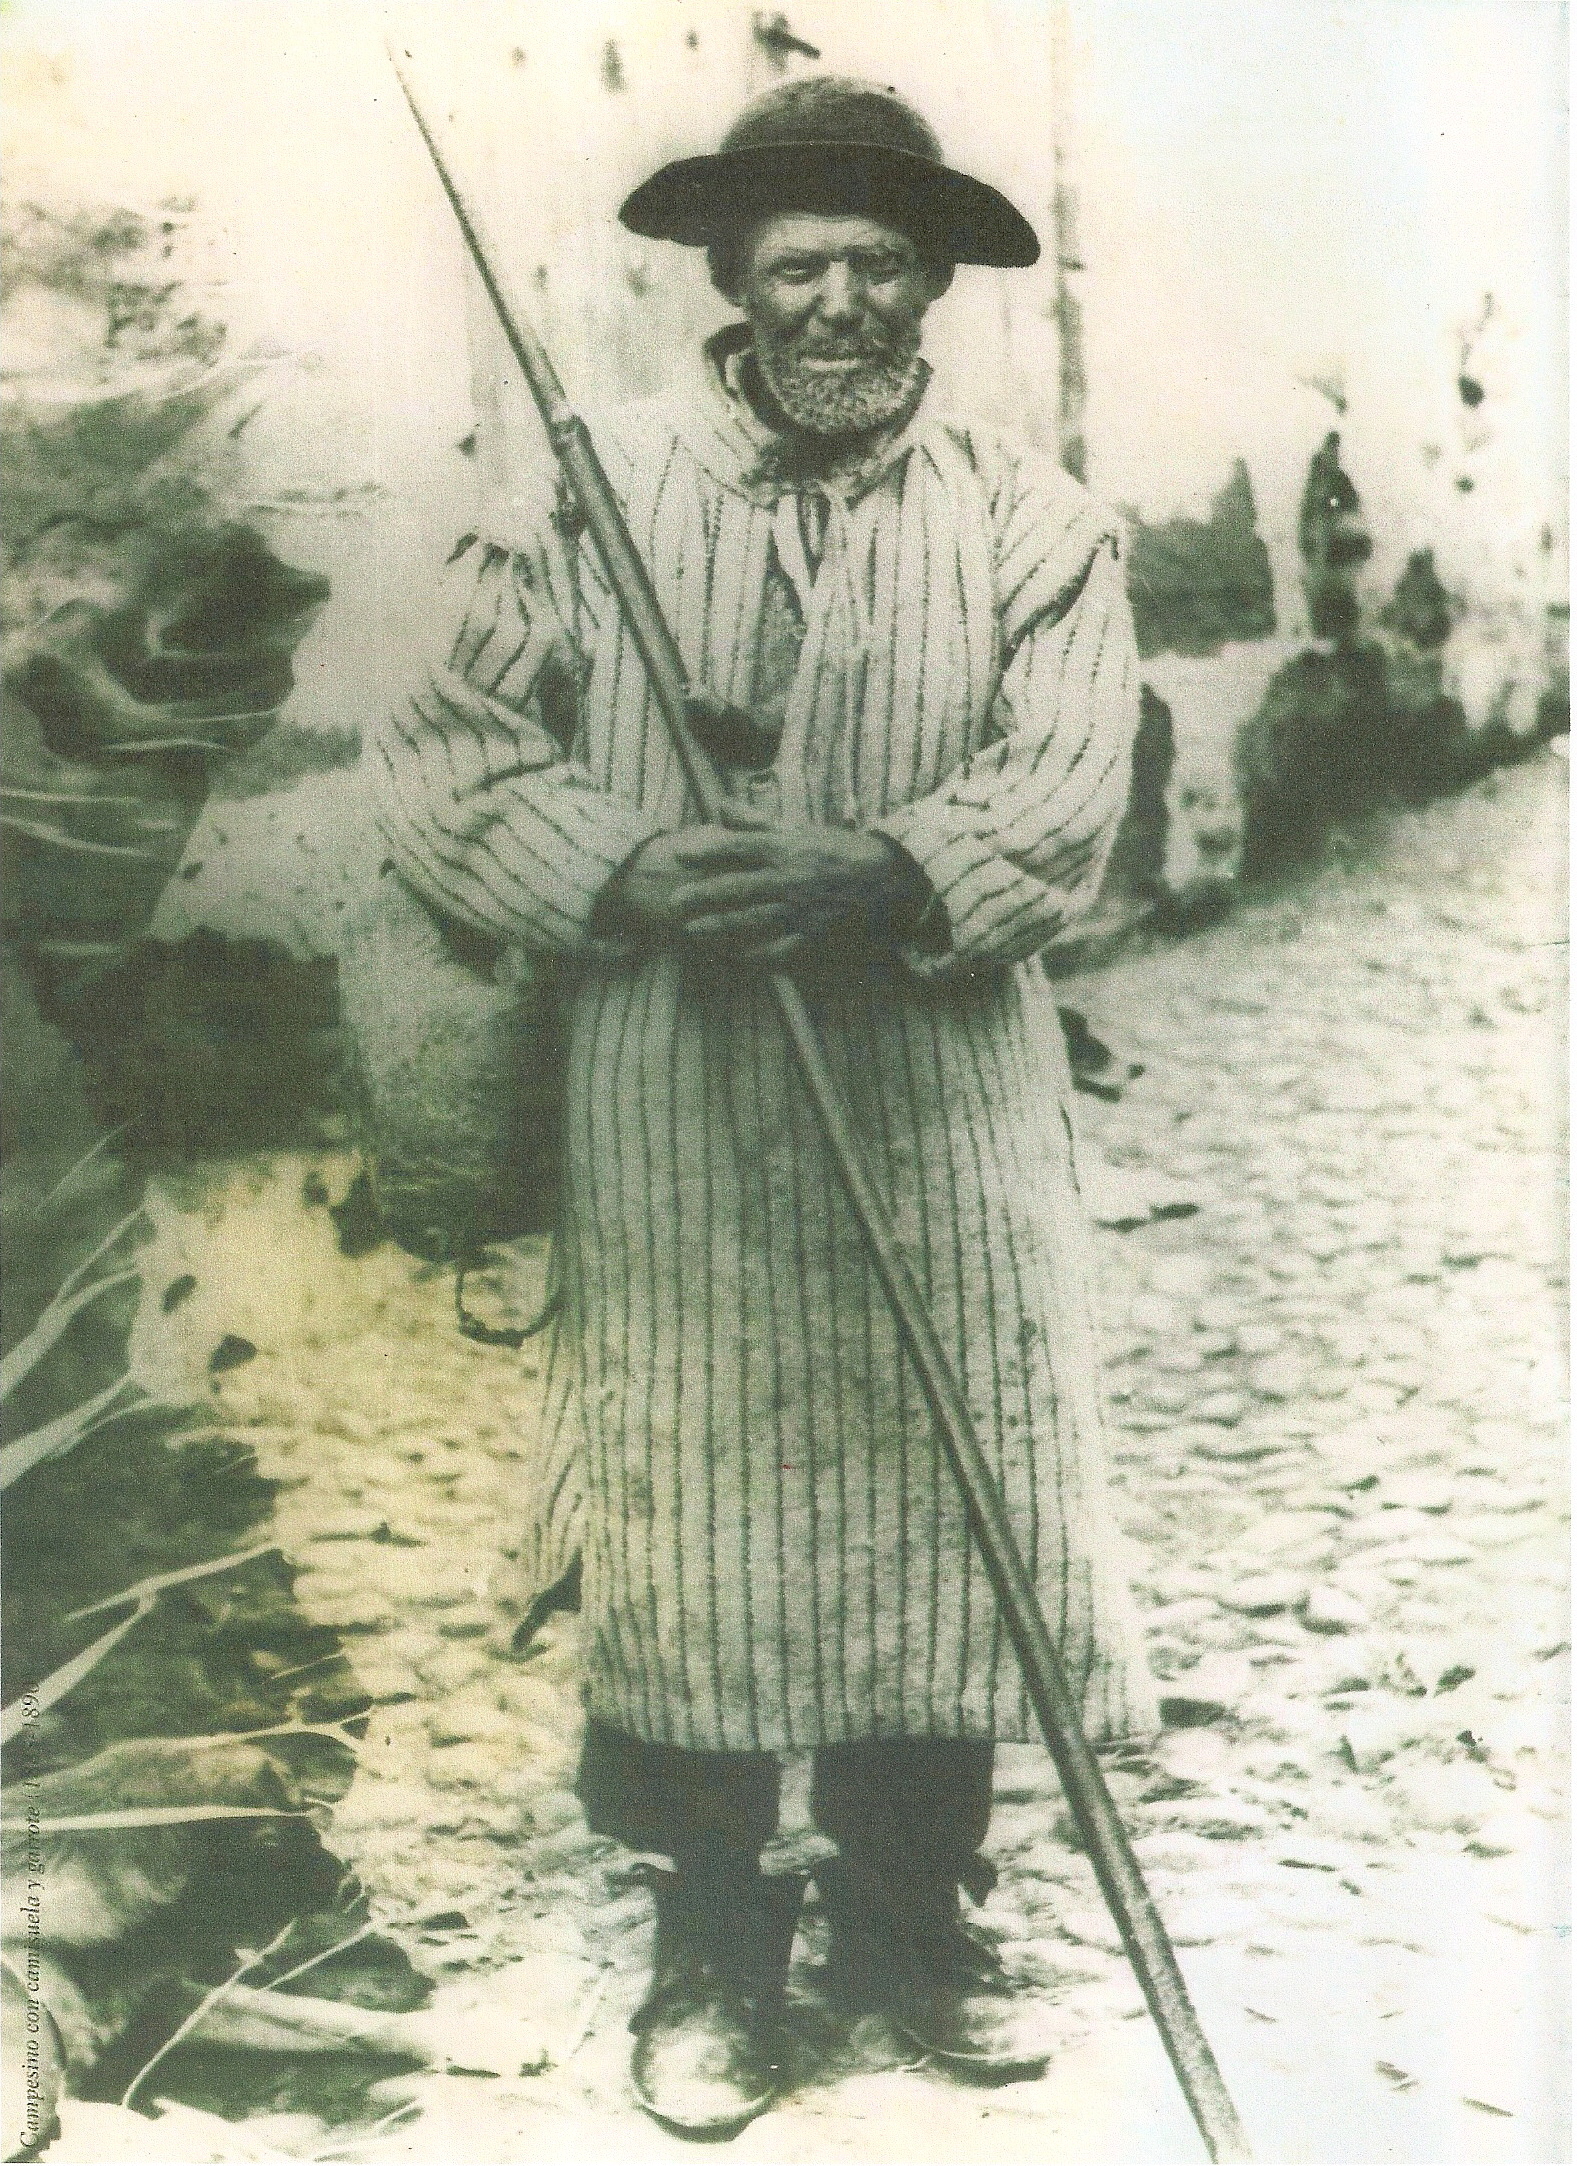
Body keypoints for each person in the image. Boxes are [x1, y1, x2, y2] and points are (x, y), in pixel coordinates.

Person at [373, 74, 1156, 2142]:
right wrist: (626, 864)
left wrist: (886, 870)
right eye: (798, 266)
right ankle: (712, 1942)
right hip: (675, 1080)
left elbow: (1068, 783)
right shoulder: (581, 493)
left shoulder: (1034, 521)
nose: (838, 305)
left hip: (936, 1085)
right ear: (730, 277)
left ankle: (913, 1924)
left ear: (933, 287)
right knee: (684, 1511)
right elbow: (446, 756)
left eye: (879, 266)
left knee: (948, 1500)